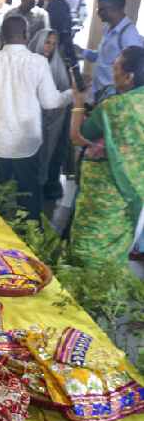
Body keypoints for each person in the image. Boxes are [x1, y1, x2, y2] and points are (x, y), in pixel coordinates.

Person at [0, 15, 73, 220]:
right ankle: (29, 239)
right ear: (26, 35)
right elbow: (50, 102)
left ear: (2, 36)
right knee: (28, 196)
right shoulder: (38, 62)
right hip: (26, 143)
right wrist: (71, 94)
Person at [68, 46, 144, 265]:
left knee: (90, 246)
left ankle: (84, 294)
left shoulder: (115, 107)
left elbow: (78, 136)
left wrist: (78, 100)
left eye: (116, 66)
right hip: (135, 192)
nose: (112, 69)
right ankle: (107, 290)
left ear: (129, 76)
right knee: (119, 241)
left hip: (105, 192)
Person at [78, 0, 144, 104]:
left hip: (111, 98)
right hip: (98, 92)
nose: (98, 12)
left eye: (101, 9)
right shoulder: (107, 27)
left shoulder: (129, 35)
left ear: (115, 8)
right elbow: (102, 57)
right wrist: (82, 52)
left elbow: (135, 75)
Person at [29, 28, 72, 200]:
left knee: (44, 155)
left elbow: (63, 92)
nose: (50, 47)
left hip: (50, 121)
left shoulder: (57, 65)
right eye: (47, 42)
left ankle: (37, 188)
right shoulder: (28, 62)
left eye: (54, 44)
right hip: (28, 119)